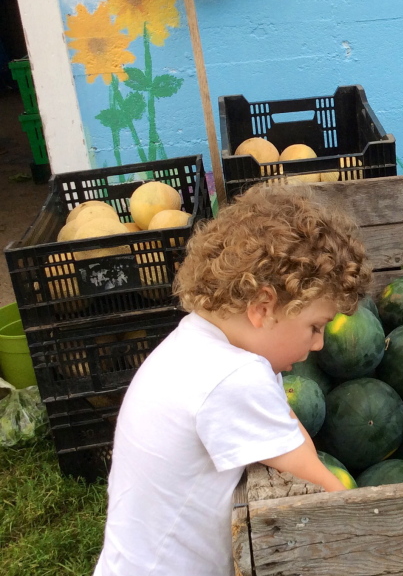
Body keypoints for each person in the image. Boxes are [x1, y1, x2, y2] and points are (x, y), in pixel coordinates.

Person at [94, 183, 371, 576]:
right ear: (263, 307)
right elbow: (315, 478)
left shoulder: (199, 339)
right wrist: (371, 522)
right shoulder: (234, 377)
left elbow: (290, 433)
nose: (320, 344)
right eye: (314, 327)